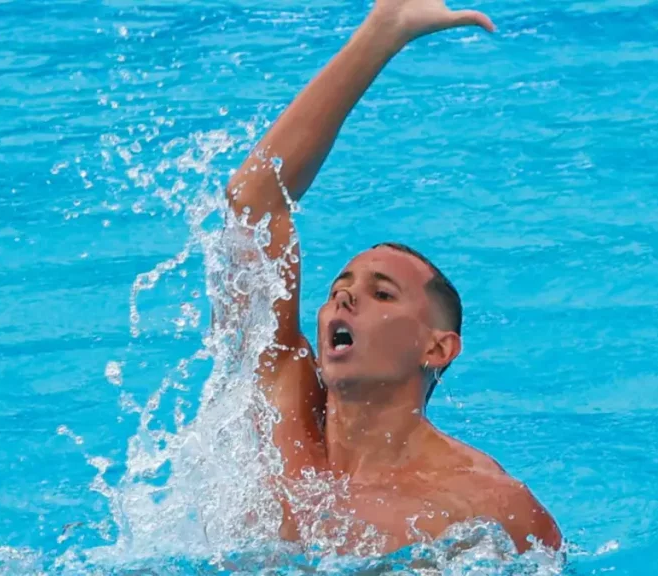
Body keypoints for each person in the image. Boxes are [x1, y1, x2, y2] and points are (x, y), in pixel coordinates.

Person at [222, 0, 562, 556]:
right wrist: (382, 32)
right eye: (338, 290)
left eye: (382, 293)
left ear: (437, 347)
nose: (345, 298)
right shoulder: (280, 408)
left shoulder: (487, 506)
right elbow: (252, 204)